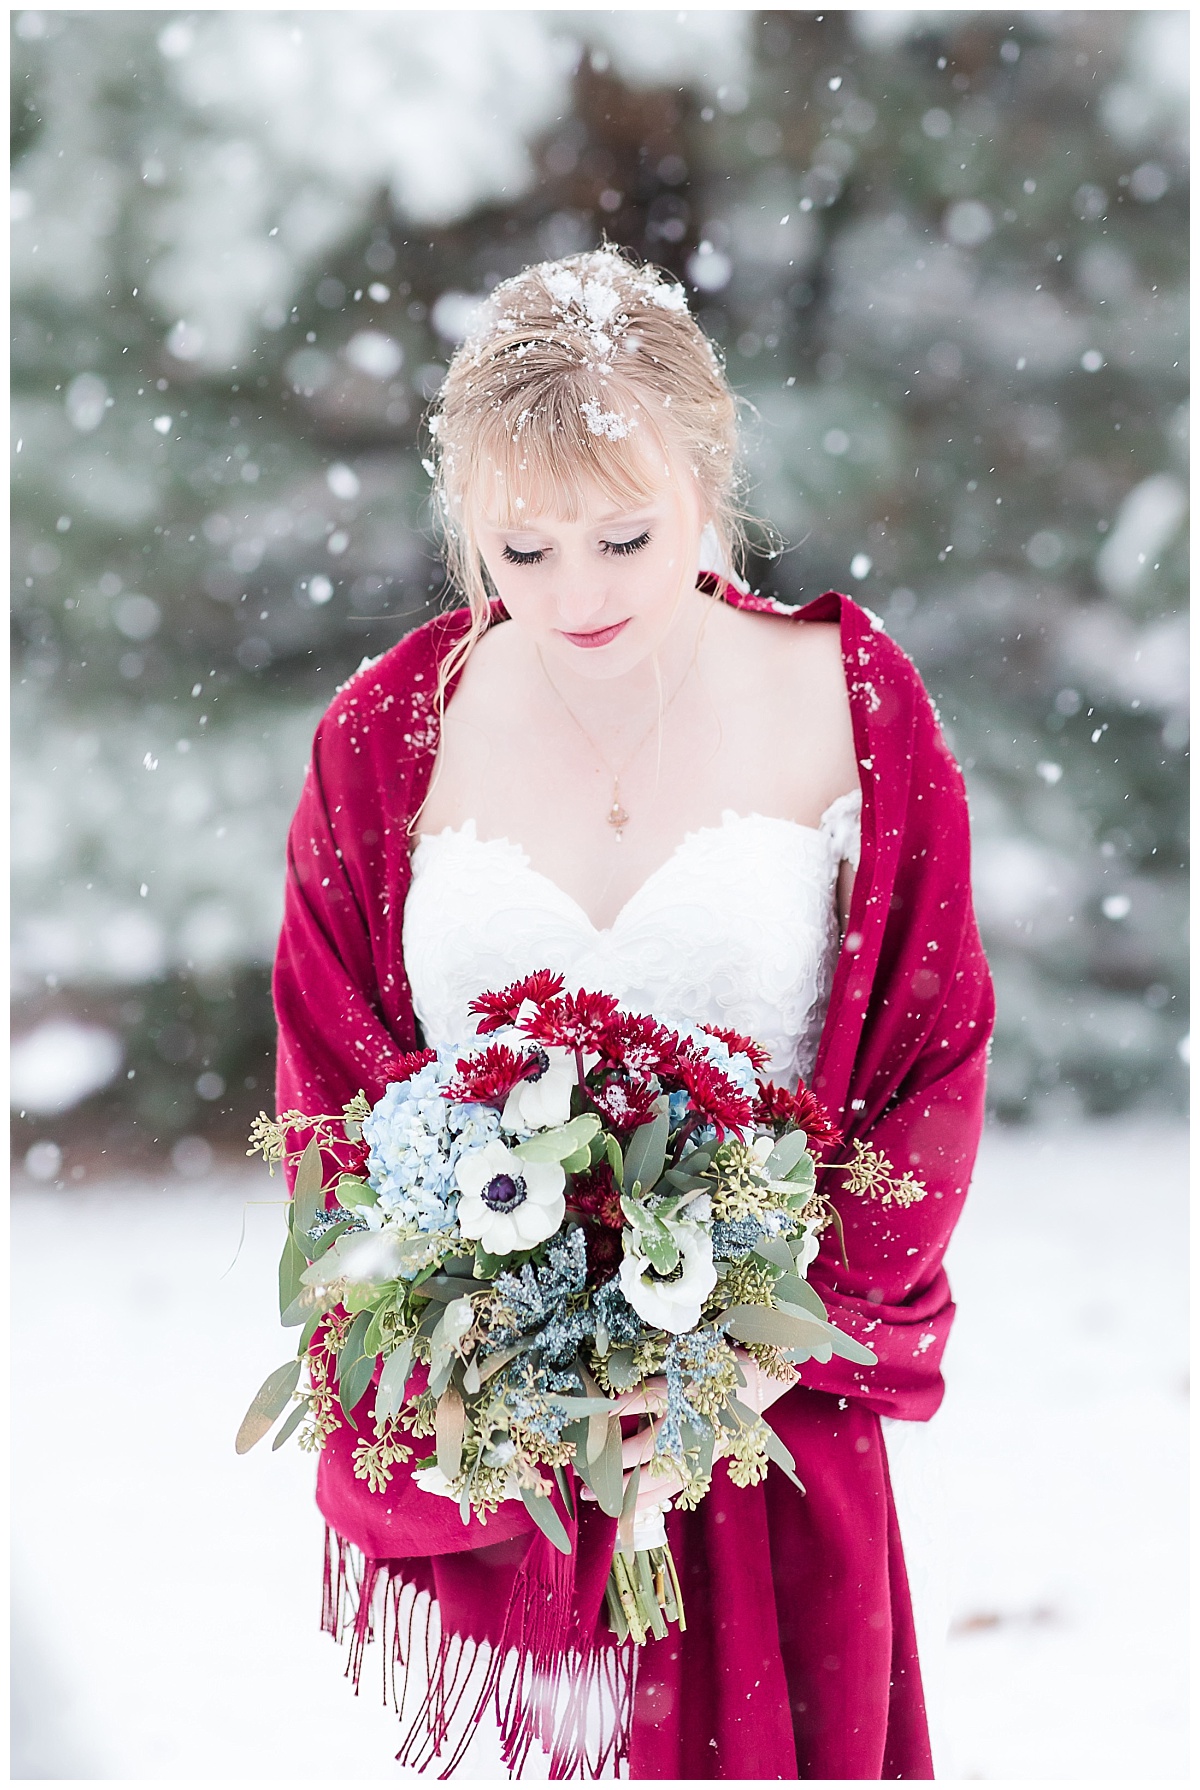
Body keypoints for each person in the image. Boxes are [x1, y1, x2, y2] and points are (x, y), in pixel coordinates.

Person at [273, 246, 994, 1780]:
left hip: (770, 1437)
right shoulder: (387, 738)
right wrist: (484, 1363)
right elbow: (332, 1097)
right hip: (511, 1479)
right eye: (521, 550)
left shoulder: (851, 701)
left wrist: (753, 1349)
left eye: (623, 534)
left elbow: (932, 1060)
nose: (576, 593)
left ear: (706, 473)